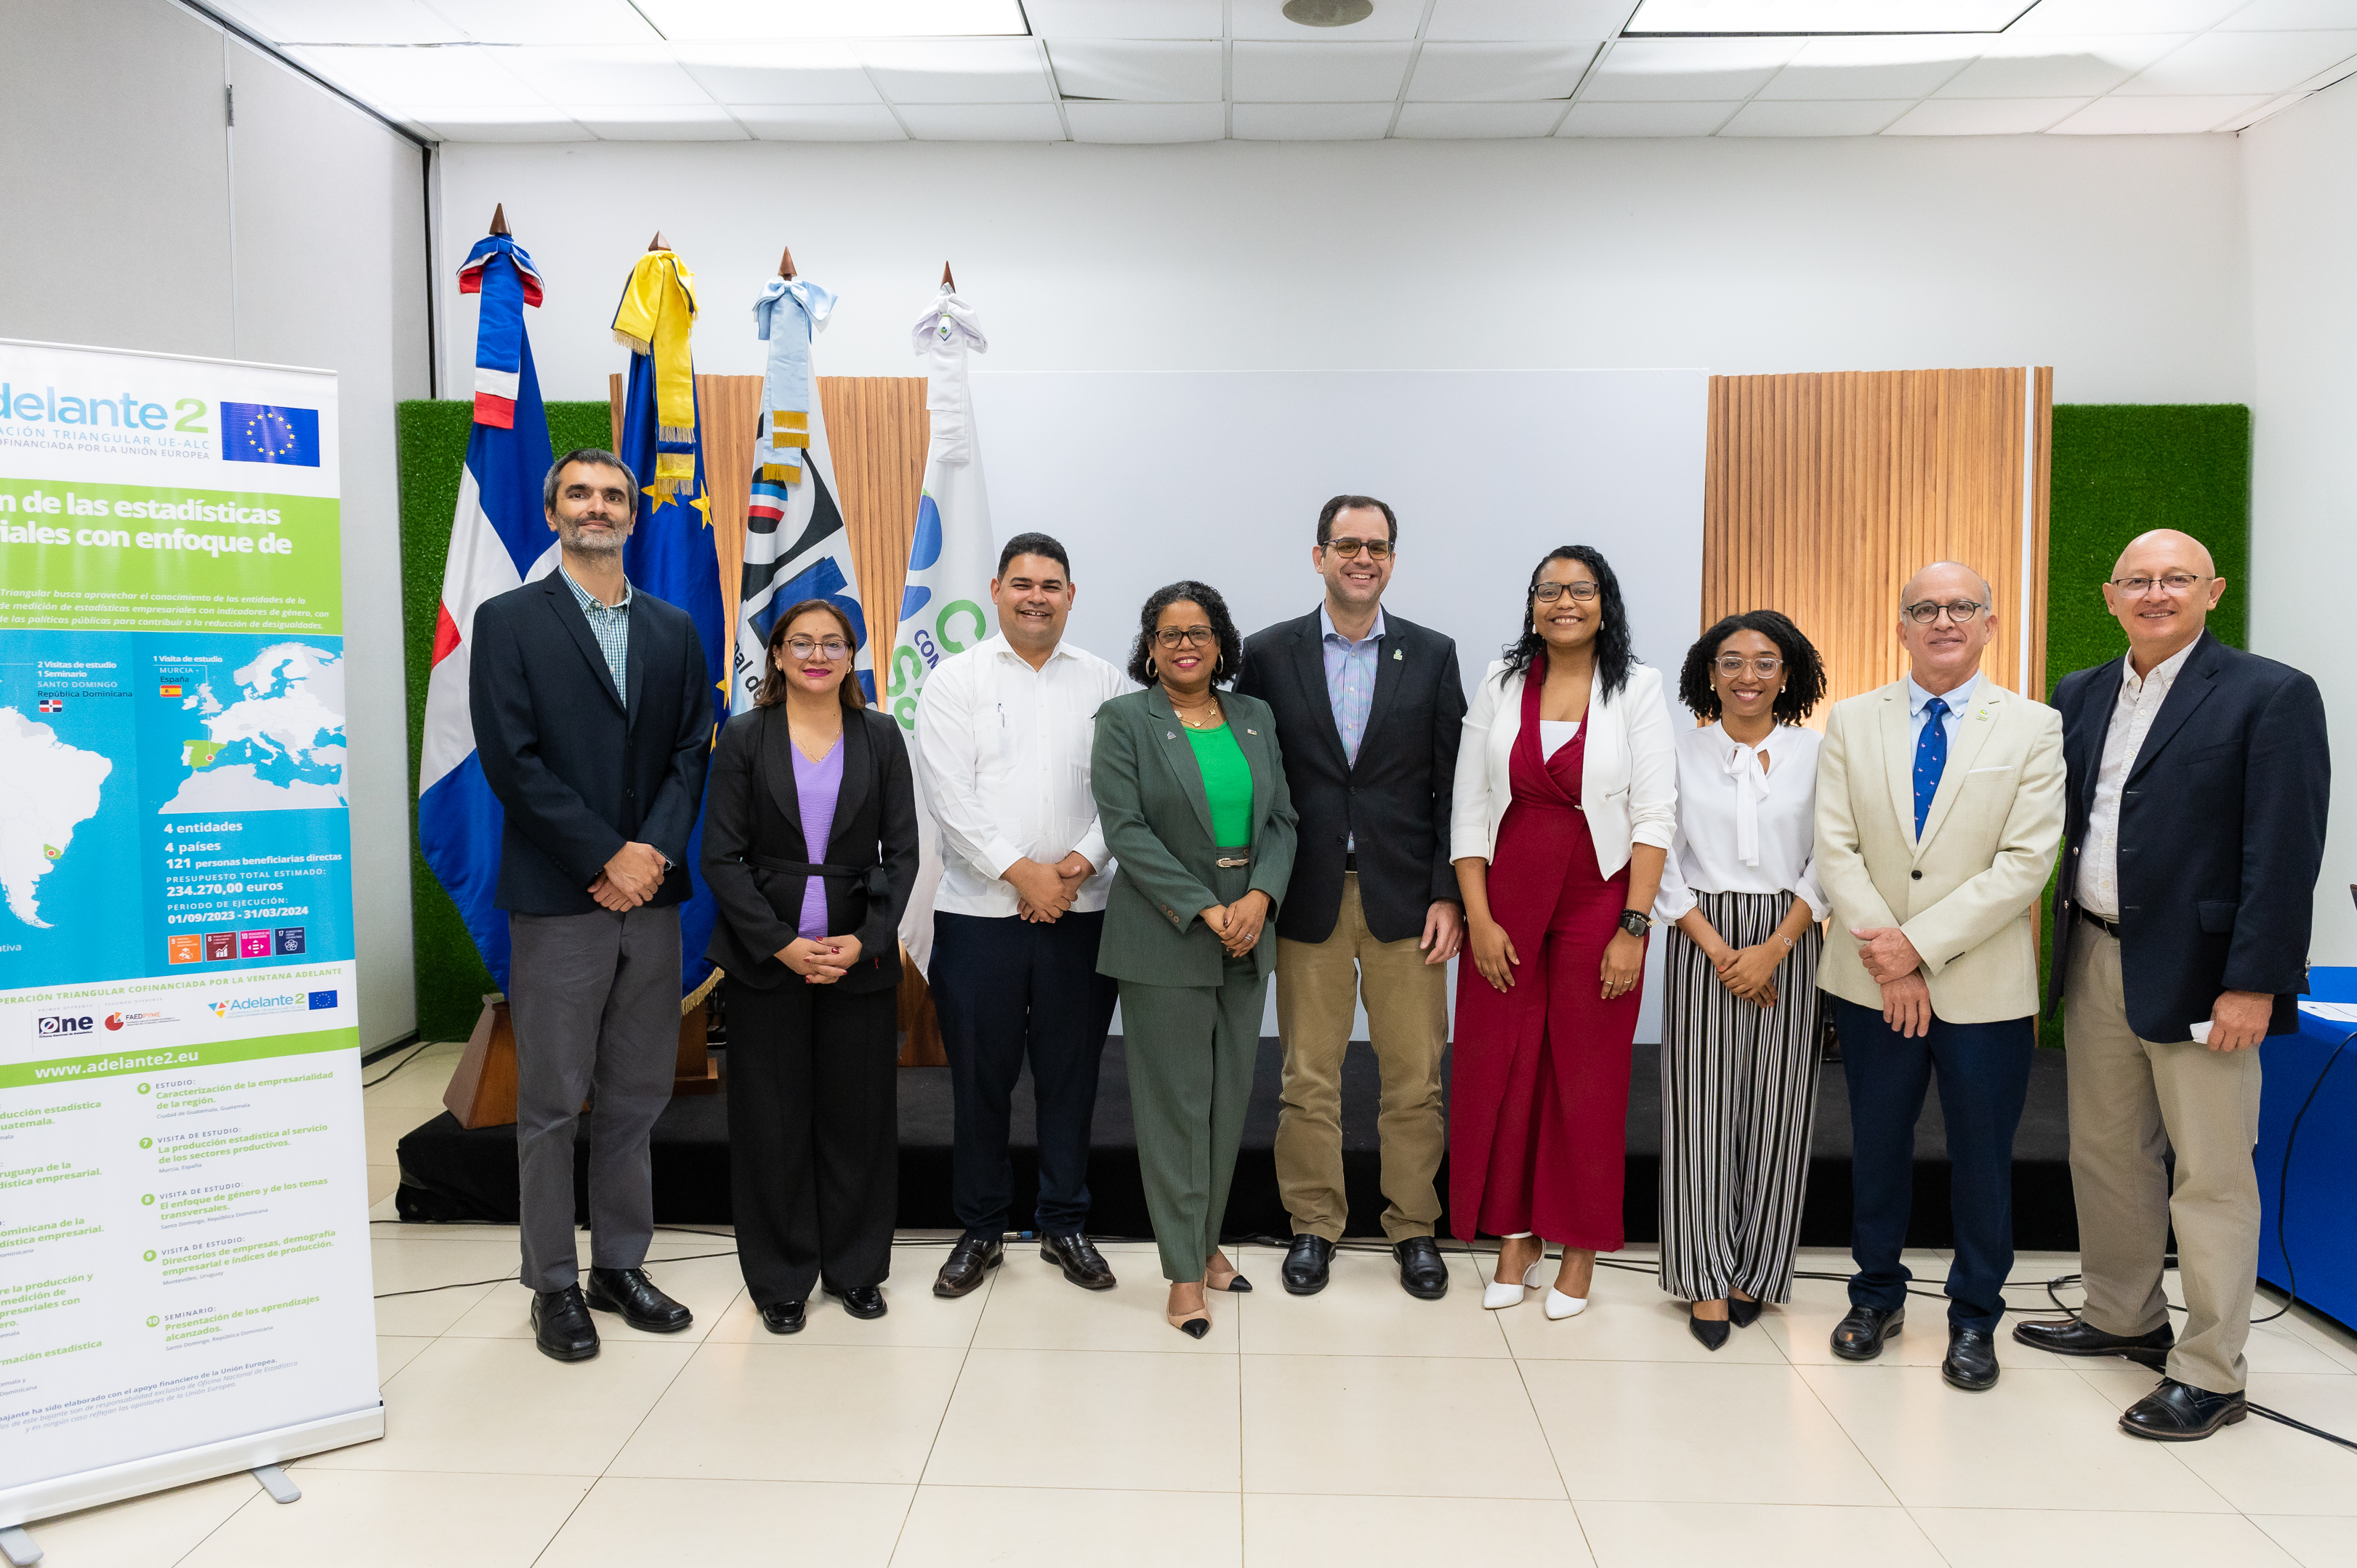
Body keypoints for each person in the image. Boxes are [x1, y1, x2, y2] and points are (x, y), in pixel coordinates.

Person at [2014, 530, 2329, 1440]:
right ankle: (2123, 1313)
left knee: (2212, 1174)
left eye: (2177, 579)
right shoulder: (2079, 692)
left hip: (2206, 977)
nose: (2157, 594)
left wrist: (2256, 983)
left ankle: (2212, 1372)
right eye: (2139, 581)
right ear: (2111, 596)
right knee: (2107, 1153)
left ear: (2212, 591)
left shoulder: (2271, 693)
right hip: (2095, 953)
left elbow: (2285, 851)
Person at [468, 448, 712, 1362]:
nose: (597, 506)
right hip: (560, 896)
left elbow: (690, 753)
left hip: (651, 899)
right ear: (553, 511)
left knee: (637, 1095)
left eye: (613, 495)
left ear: (632, 515)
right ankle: (552, 1285)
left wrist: (647, 857)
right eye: (579, 493)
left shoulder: (673, 629)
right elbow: (511, 760)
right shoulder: (508, 621)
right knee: (550, 1102)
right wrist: (606, 856)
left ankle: (619, 1265)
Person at [1813, 561, 2064, 1392]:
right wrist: (1890, 957)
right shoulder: (1852, 720)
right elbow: (1835, 847)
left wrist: (1916, 948)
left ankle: (1975, 1316)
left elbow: (2026, 862)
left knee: (1983, 1158)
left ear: (1989, 623)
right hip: (1870, 980)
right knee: (1877, 1145)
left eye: (1962, 606)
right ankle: (1874, 1296)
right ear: (1902, 628)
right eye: (1925, 608)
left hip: (1982, 986)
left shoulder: (2033, 726)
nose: (1943, 620)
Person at [1236, 495, 1466, 1301]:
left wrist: (1449, 893)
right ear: (1319, 556)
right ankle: (1313, 1224)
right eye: (1346, 545)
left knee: (1415, 1077)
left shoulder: (1433, 655)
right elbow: (1254, 782)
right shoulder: (1268, 654)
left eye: (1377, 546)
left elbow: (1453, 787)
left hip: (1408, 902)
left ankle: (1413, 1226)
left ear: (1392, 560)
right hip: (1306, 898)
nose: (1362, 558)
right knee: (1307, 1076)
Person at [1449, 546, 1675, 1321]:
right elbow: (1469, 806)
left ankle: (1579, 1246)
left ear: (1604, 603)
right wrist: (1478, 918)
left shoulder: (1637, 686)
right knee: (1504, 1068)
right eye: (1549, 590)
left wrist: (1633, 927)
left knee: (1586, 1075)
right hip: (1506, 897)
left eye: (1580, 589)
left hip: (1600, 897)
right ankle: (1516, 1238)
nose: (1564, 602)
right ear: (1532, 604)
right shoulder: (1500, 680)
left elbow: (1654, 815)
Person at [914, 532, 1129, 1299]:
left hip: (1082, 909)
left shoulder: (1105, 681)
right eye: (1022, 584)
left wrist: (1075, 868)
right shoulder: (955, 681)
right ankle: (980, 1227)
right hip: (978, 916)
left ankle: (1065, 1222)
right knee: (981, 1080)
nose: (1036, 597)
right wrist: (1023, 875)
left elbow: (1123, 794)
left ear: (1070, 595)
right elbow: (950, 797)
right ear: (997, 591)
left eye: (1050, 585)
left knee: (1071, 1078)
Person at [702, 599, 918, 1333]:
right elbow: (721, 858)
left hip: (860, 960)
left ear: (852, 656)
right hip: (767, 963)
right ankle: (781, 1277)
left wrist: (867, 939)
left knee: (859, 1121)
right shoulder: (743, 736)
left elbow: (904, 852)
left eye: (833, 643)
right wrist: (781, 943)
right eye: (802, 642)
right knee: (771, 1122)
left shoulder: (880, 735)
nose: (817, 655)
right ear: (777, 655)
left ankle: (857, 1269)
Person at [1091, 581, 1298, 1338]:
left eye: (1199, 632)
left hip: (1248, 929)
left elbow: (1281, 820)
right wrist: (1208, 907)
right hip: (1166, 934)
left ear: (1221, 644)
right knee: (1175, 1108)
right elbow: (1126, 830)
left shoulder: (1254, 716)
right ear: (1150, 647)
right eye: (1170, 633)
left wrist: (1261, 897)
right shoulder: (1125, 721)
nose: (1185, 645)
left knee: (1225, 1101)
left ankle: (1207, 1244)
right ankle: (1183, 1273)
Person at [1653, 611, 1831, 1351]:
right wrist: (1723, 951)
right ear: (1709, 673)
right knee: (1699, 1112)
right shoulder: (1677, 751)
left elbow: (1832, 854)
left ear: (1787, 675)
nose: (1747, 676)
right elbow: (1659, 855)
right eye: (1731, 661)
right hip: (1702, 932)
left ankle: (1755, 1270)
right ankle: (1703, 1275)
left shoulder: (1818, 753)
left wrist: (1776, 947)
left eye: (1764, 662)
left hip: (1792, 933)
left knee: (1779, 1110)